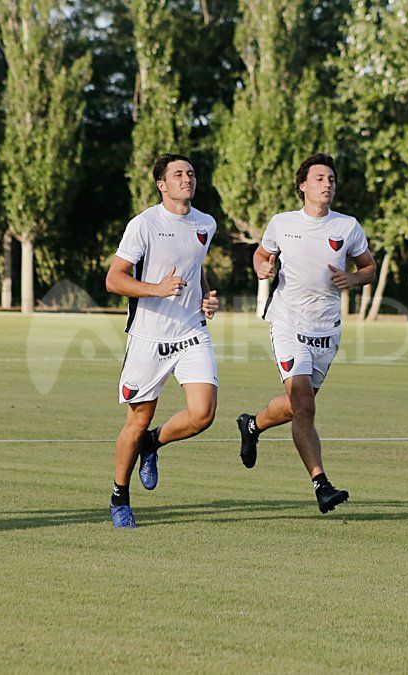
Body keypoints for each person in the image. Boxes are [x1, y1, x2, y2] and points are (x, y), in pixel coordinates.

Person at [235, 153, 376, 514]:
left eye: (331, 179)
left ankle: (252, 425)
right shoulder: (282, 223)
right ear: (303, 185)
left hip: (326, 329)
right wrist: (262, 267)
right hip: (287, 323)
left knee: (297, 406)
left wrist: (355, 279)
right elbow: (261, 255)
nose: (326, 184)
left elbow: (368, 267)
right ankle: (321, 484)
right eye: (319, 178)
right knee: (305, 408)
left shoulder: (347, 226)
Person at [104, 153, 219, 528]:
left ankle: (154, 444)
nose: (187, 178)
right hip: (148, 336)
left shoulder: (206, 223)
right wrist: (155, 289)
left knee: (203, 414)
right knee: (137, 421)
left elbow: (194, 264)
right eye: (178, 174)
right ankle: (119, 496)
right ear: (162, 185)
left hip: (191, 332)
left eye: (190, 173)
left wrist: (205, 296)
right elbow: (114, 279)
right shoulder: (144, 225)